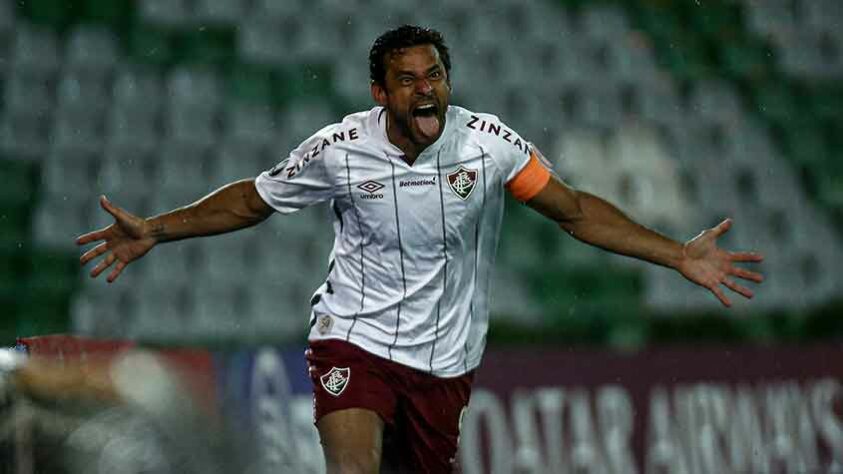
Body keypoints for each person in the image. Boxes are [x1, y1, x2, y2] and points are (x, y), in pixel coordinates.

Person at [77, 25, 764, 473]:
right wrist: (157, 229)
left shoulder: (488, 144)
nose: (425, 88)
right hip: (352, 337)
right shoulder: (339, 150)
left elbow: (576, 211)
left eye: (433, 74)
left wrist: (677, 254)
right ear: (381, 93)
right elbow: (252, 199)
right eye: (407, 79)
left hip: (444, 357)